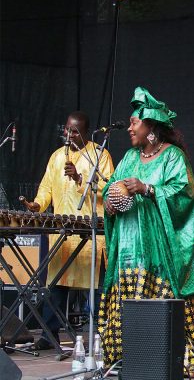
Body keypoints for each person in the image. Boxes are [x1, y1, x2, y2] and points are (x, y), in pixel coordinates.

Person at [99, 87, 194, 377]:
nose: (130, 128)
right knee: (126, 301)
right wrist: (110, 201)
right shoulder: (129, 158)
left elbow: (185, 193)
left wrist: (147, 189)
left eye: (134, 123)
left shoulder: (172, 156)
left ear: (151, 127)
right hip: (127, 246)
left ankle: (163, 358)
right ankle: (128, 358)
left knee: (157, 303)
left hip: (158, 249)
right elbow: (110, 187)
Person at [22, 110, 115, 349]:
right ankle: (48, 335)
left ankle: (103, 336)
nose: (68, 134)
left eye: (74, 131)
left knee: (96, 288)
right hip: (62, 234)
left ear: (85, 133)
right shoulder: (56, 157)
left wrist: (80, 179)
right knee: (54, 287)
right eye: (67, 129)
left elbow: (110, 190)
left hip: (89, 234)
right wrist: (37, 205)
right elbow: (46, 189)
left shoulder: (100, 155)